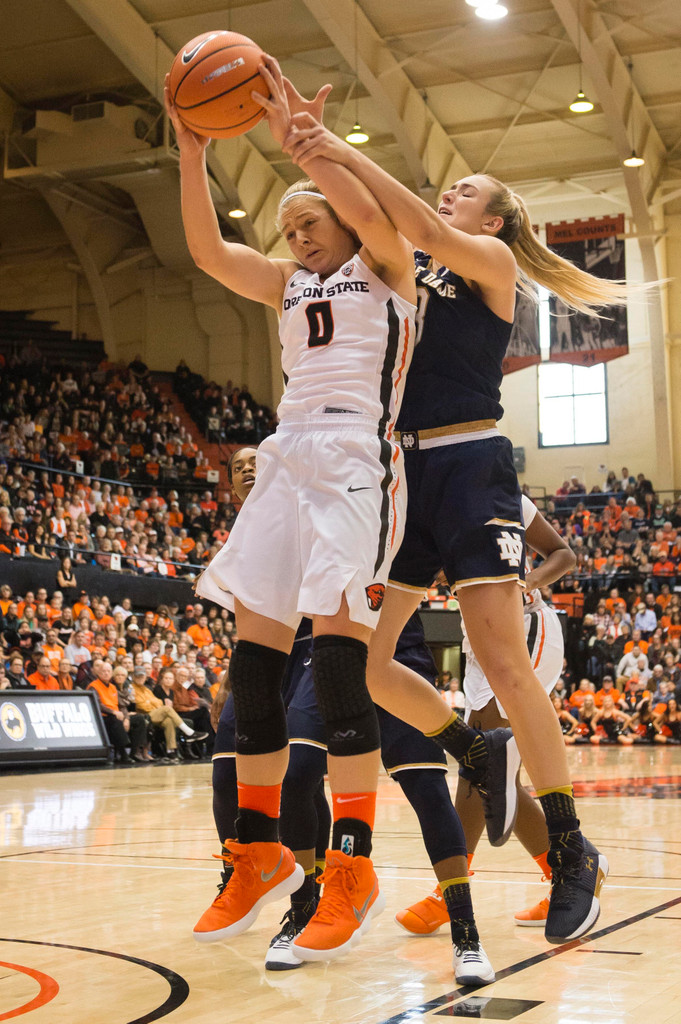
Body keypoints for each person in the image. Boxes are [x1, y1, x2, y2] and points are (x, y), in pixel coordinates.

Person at [284, 92, 627, 944]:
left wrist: (339, 147)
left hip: (471, 460)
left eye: (467, 189)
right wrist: (302, 146)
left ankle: (573, 851)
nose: (450, 195)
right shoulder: (411, 262)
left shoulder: (487, 264)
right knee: (363, 665)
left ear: (499, 219)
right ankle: (474, 752)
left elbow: (416, 225)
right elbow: (368, 217)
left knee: (504, 668)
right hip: (402, 468)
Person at [166, 58, 419, 963]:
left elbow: (375, 217)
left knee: (343, 671)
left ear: (342, 221)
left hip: (358, 459)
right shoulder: (288, 284)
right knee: (256, 668)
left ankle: (353, 863)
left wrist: (306, 150)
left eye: (308, 222)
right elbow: (205, 253)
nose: (296, 235)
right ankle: (260, 846)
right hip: (284, 459)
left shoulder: (389, 269)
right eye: (286, 227)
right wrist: (192, 151)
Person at [196, 448, 493, 984]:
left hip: (393, 653)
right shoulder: (274, 521)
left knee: (427, 792)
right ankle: (306, 903)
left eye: (257, 461)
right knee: (297, 774)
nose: (251, 468)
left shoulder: (369, 483)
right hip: (315, 662)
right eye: (241, 463)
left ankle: (466, 931)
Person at [397, 496, 575, 932]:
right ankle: (569, 871)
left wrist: (526, 583)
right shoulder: (422, 496)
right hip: (476, 635)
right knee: (491, 771)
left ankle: (450, 890)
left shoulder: (499, 492)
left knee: (482, 764)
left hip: (524, 625)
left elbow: (564, 554)